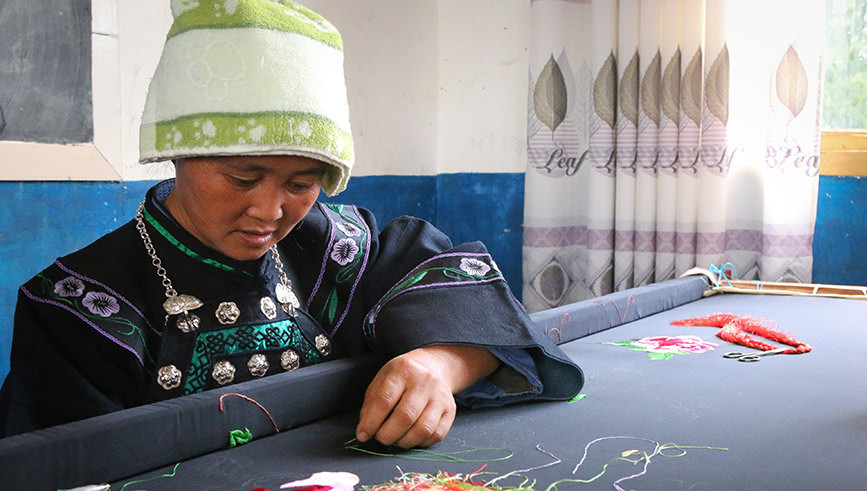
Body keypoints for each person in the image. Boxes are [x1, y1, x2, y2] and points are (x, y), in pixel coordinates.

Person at [0, 0, 583, 443]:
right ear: (178, 156)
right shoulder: (79, 307)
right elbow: (61, 487)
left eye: (301, 184)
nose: (270, 212)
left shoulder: (334, 247)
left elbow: (463, 293)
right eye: (243, 178)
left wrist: (440, 362)